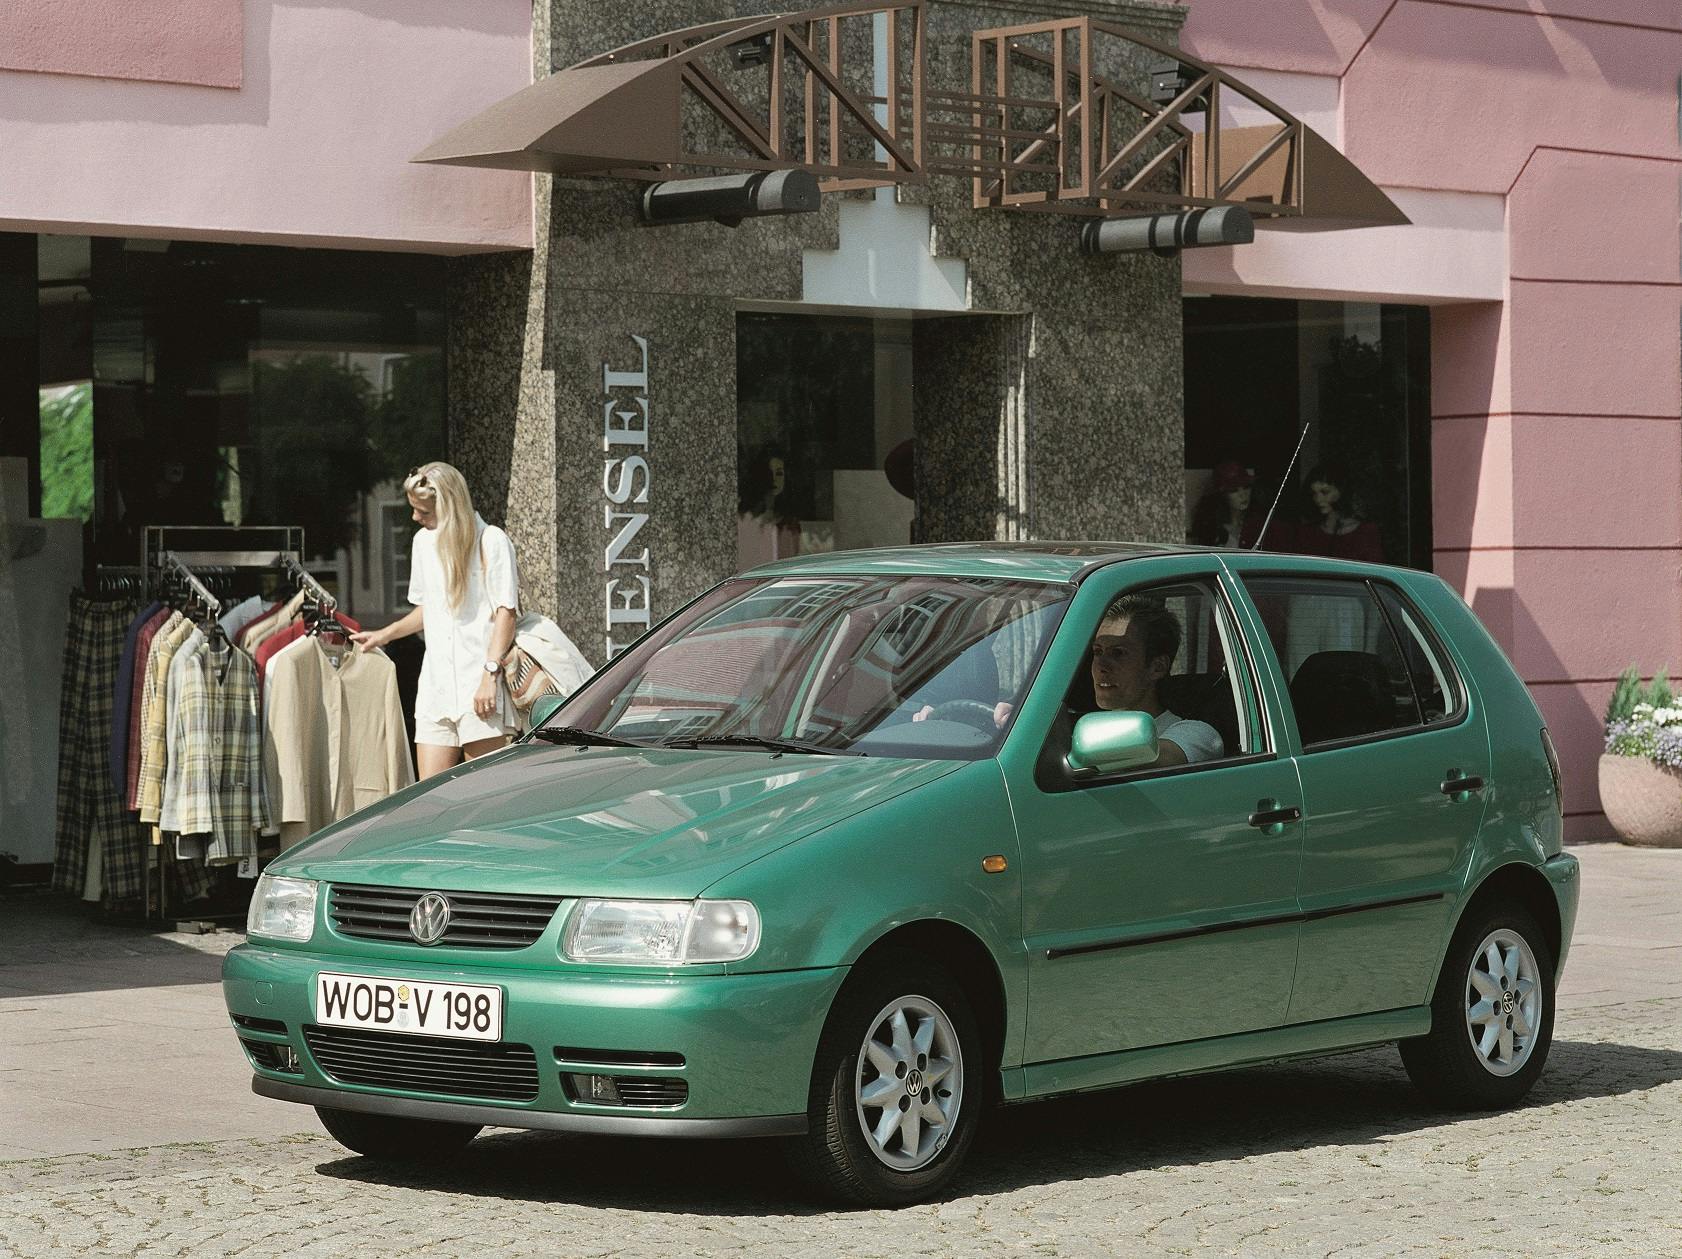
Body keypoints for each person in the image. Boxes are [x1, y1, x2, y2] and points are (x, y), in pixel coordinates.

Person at [351, 463, 521, 779]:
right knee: (429, 794)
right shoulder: (423, 543)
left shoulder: (491, 540)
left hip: (480, 685)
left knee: (483, 792)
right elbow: (427, 610)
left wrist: (489, 675)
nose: (416, 518)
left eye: (424, 511)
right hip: (435, 687)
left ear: (449, 505)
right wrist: (383, 635)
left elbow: (506, 613)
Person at [1085, 594, 1223, 766]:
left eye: (1118, 653)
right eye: (1098, 652)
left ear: (1157, 667)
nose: (1101, 666)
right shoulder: (1089, 731)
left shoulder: (1197, 734)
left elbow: (1158, 757)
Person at [1289, 462, 1383, 562]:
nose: (1317, 499)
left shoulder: (1366, 532)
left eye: (1325, 492)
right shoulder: (1308, 533)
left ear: (1342, 490)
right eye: (1314, 493)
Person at [1189, 459, 1263, 548]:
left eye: (1246, 487)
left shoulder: (1258, 524)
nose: (1243, 494)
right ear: (1223, 494)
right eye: (1234, 490)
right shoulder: (1212, 529)